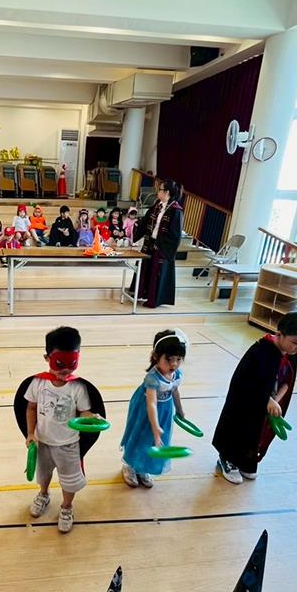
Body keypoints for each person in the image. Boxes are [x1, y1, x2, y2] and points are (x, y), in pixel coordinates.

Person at [17, 326, 105, 533]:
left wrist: (92, 418)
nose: (65, 369)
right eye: (59, 363)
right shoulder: (38, 383)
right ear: (47, 358)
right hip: (44, 443)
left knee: (69, 480)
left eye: (71, 363)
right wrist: (30, 434)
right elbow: (30, 408)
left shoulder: (78, 387)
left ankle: (66, 507)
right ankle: (44, 494)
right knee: (43, 474)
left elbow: (84, 412)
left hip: (68, 444)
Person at [212, 312, 297, 485]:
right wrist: (267, 399)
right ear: (280, 334)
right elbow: (244, 382)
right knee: (239, 429)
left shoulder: (291, 352)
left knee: (256, 432)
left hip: (265, 405)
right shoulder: (260, 351)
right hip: (245, 404)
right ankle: (227, 458)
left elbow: (287, 381)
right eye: (296, 342)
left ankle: (245, 461)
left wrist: (276, 400)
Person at [119, 330, 188, 489]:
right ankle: (129, 465)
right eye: (169, 359)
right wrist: (155, 426)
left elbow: (175, 391)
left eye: (178, 359)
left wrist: (180, 410)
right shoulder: (153, 378)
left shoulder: (176, 374)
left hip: (164, 411)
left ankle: (143, 468)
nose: (174, 364)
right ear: (156, 357)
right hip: (145, 412)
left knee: (155, 441)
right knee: (140, 437)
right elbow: (151, 404)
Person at [134, 180, 183, 308]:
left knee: (156, 273)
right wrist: (134, 233)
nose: (157, 192)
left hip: (161, 246)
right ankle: (143, 294)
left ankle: (154, 300)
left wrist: (161, 245)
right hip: (150, 243)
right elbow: (146, 221)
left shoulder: (175, 210)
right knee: (146, 269)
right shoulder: (157, 205)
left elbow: (175, 235)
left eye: (160, 189)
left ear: (167, 192)